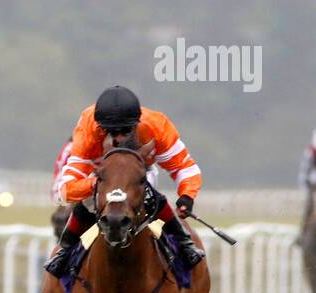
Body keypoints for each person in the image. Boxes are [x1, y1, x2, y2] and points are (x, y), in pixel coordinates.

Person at [45, 85, 205, 278]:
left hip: (137, 174)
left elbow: (185, 168)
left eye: (126, 131)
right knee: (86, 203)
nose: (120, 137)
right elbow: (65, 189)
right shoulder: (88, 127)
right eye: (112, 132)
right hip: (102, 176)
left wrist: (187, 196)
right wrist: (101, 185)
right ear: (101, 128)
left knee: (149, 197)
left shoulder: (157, 126)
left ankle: (184, 244)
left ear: (136, 124)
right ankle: (64, 251)